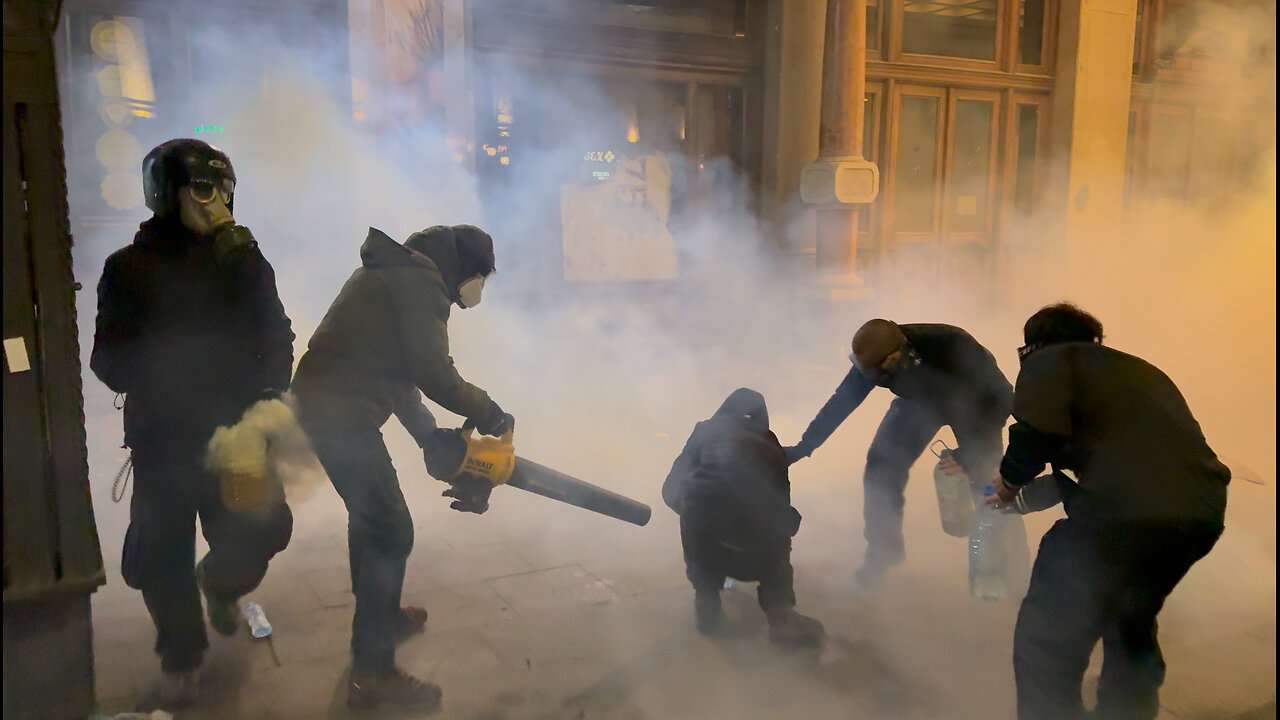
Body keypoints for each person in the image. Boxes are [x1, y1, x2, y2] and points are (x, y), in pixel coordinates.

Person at [90, 138, 295, 707]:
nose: (217, 204)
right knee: (161, 556)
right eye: (202, 190)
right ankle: (182, 657)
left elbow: (276, 333)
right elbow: (107, 359)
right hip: (164, 440)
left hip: (238, 438)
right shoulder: (127, 270)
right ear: (165, 194)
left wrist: (271, 392)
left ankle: (221, 585)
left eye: (223, 190)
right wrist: (164, 364)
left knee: (263, 528)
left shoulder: (246, 264)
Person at [290, 224, 513, 711]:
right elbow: (433, 372)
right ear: (466, 268)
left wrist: (429, 436)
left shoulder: (400, 269)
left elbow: (401, 376)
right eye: (480, 279)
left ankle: (382, 616)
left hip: (326, 405)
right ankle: (372, 673)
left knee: (369, 516)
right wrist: (487, 410)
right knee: (390, 530)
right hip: (339, 413)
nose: (470, 295)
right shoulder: (420, 283)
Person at [992, 303, 1230, 720]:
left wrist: (1009, 482)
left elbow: (1035, 436)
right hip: (1197, 516)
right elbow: (1102, 468)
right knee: (1129, 619)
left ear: (1035, 344)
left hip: (1121, 519)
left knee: (1048, 640)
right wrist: (1022, 501)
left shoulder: (1050, 362)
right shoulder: (1137, 371)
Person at [783, 319, 1012, 587]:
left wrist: (970, 455)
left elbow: (1003, 399)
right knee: (882, 466)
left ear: (898, 357)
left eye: (881, 374)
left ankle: (1006, 566)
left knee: (991, 485)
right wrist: (805, 446)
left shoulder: (952, 344)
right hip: (921, 402)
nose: (874, 380)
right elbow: (842, 401)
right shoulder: (872, 361)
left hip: (977, 407)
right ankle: (883, 551)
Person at [662, 389, 824, 646]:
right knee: (782, 523)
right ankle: (781, 613)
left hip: (704, 547)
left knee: (694, 506)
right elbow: (781, 503)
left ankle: (707, 601)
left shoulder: (704, 431)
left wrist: (698, 519)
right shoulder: (769, 441)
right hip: (757, 554)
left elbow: (669, 490)